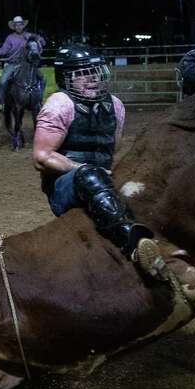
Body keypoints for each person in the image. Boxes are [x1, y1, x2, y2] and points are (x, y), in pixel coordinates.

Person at [31, 45, 156, 271]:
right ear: (65, 77)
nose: (92, 78)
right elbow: (41, 157)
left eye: (95, 71)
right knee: (90, 173)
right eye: (82, 73)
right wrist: (85, 168)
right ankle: (131, 241)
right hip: (64, 188)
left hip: (101, 181)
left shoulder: (115, 105)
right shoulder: (59, 104)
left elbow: (112, 149)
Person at [0, 16, 46, 107]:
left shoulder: (28, 36)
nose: (18, 27)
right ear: (14, 26)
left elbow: (43, 43)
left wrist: (36, 37)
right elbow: (3, 51)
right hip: (13, 63)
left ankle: (39, 99)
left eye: (20, 25)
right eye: (16, 25)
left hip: (27, 64)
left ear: (23, 25)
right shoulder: (10, 38)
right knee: (2, 81)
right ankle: (0, 102)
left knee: (43, 79)